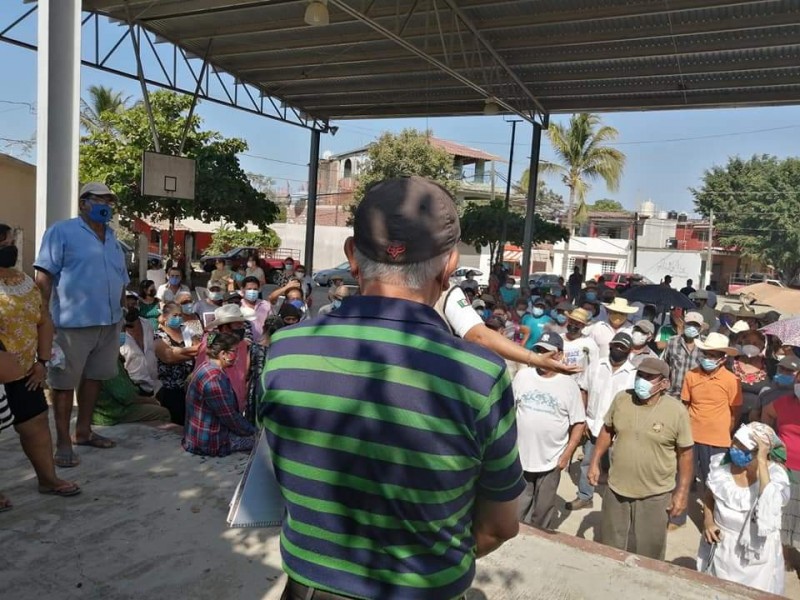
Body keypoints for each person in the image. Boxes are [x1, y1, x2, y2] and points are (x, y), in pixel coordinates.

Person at [260, 176, 525, 599]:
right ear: (450, 265)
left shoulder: (284, 351)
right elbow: (498, 527)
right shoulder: (479, 377)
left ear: (351, 255)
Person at [34, 182, 128, 467]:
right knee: (63, 385)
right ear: (83, 203)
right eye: (100, 200)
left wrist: (124, 311)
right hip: (71, 325)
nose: (106, 206)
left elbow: (122, 279)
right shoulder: (62, 231)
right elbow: (43, 277)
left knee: (95, 378)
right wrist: (42, 318)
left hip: (109, 322)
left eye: (110, 201)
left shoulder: (112, 238)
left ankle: (83, 432)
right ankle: (63, 443)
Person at [0, 226, 81, 500]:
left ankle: (48, 479)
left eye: (10, 241)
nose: (10, 246)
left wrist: (42, 361)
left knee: (35, 424)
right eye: (4, 243)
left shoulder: (23, 282)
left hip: (26, 372)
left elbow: (43, 320)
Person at [589, 358, 694, 560]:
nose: (642, 381)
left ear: (664, 383)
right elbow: (606, 431)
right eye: (640, 375)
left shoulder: (676, 411)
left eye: (649, 377)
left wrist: (681, 493)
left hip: (655, 494)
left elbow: (686, 454)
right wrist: (595, 462)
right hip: (617, 488)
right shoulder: (622, 399)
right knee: (611, 546)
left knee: (650, 551)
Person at [697, 423, 790, 595]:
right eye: (735, 442)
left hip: (755, 560)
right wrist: (708, 522)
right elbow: (710, 497)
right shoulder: (722, 466)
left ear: (760, 452)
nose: (735, 449)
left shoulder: (776, 477)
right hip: (722, 551)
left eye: (743, 448)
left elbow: (768, 505)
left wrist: (762, 462)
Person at [514, 332, 585, 529]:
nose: (541, 355)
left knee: (542, 512)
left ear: (560, 355)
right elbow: (509, 412)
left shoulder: (569, 386)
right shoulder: (522, 376)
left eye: (547, 351)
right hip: (520, 457)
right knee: (516, 511)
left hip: (551, 460)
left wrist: (566, 455)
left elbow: (579, 423)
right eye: (538, 350)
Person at [567, 332, 638, 511]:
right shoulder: (596, 366)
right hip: (593, 424)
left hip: (618, 430)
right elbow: (583, 390)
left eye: (622, 347)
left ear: (629, 351)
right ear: (611, 346)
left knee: (616, 467)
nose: (618, 350)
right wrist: (582, 419)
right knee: (587, 462)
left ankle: (614, 504)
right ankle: (585, 495)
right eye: (616, 346)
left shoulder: (633, 374)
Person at [682, 333, 742, 498]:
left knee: (715, 482)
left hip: (717, 439)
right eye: (706, 354)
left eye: (713, 355)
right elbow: (685, 404)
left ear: (723, 359)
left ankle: (710, 519)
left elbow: (735, 411)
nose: (708, 358)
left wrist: (724, 430)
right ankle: (677, 517)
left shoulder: (731, 380)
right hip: (691, 436)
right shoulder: (691, 375)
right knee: (684, 477)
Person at [183, 331, 256, 456]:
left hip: (198, 437)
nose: (237, 357)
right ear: (223, 354)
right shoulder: (213, 379)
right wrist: (255, 432)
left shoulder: (205, 367)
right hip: (209, 443)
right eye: (234, 352)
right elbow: (229, 416)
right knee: (260, 443)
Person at [761, 367, 800, 572]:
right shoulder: (783, 403)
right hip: (784, 468)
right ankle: (785, 558)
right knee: (783, 516)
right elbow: (766, 413)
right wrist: (770, 442)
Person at [194, 304, 251, 413]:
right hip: (217, 399)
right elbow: (202, 374)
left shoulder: (242, 344)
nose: (241, 329)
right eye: (237, 326)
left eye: (242, 325)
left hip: (238, 400)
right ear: (225, 327)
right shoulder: (210, 344)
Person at [94, 355, 171, 427]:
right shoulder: (108, 359)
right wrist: (150, 400)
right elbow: (125, 396)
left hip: (94, 412)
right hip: (113, 413)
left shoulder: (90, 356)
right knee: (163, 413)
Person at [153, 302, 198, 425]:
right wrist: (189, 352)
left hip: (189, 385)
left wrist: (179, 351)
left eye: (180, 315)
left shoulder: (187, 329)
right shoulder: (158, 335)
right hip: (170, 388)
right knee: (176, 422)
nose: (178, 318)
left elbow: (200, 347)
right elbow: (169, 357)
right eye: (175, 315)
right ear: (166, 316)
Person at [560, 307, 600, 408]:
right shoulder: (558, 339)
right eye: (572, 322)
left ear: (582, 326)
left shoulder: (589, 343)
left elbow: (594, 369)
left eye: (577, 324)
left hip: (578, 389)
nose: (573, 325)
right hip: (558, 384)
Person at [120, 301, 161, 397]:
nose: (129, 305)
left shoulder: (147, 324)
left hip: (155, 385)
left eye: (132, 302)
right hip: (133, 389)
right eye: (127, 302)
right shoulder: (114, 332)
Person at [663, 310, 703, 397]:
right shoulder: (672, 341)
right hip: (673, 394)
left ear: (700, 328)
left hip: (694, 396)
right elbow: (665, 364)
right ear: (684, 324)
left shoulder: (704, 346)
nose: (692, 328)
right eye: (689, 324)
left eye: (695, 325)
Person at [731, 341, 769, 425]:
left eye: (755, 343)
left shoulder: (770, 365)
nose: (751, 345)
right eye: (748, 341)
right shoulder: (730, 362)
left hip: (755, 419)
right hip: (731, 413)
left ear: (762, 346)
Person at [757, 354, 800, 420]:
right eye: (781, 369)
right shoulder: (765, 392)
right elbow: (754, 416)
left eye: (789, 370)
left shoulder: (797, 396)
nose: (784, 373)